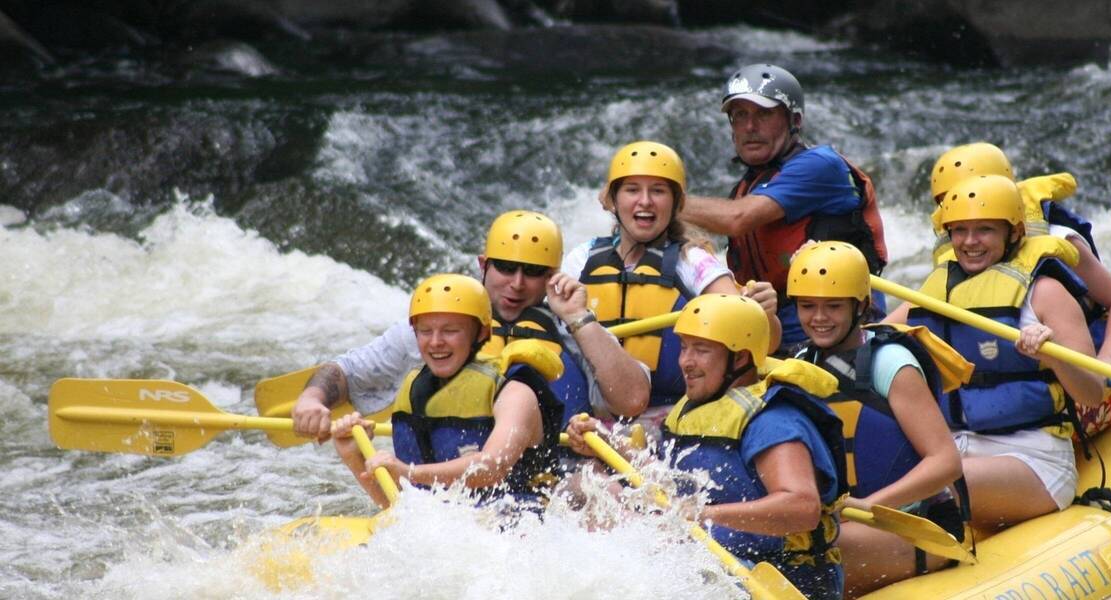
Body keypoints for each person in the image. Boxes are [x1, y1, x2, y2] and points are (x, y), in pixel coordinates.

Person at [566, 294, 848, 599]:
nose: (686, 361)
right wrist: (609, 444)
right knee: (590, 493)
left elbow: (802, 508)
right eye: (685, 347)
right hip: (715, 562)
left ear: (739, 359)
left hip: (781, 578)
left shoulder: (773, 421)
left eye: (701, 351)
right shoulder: (697, 407)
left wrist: (704, 514)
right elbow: (670, 482)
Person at [292, 210, 650, 440]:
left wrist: (579, 319)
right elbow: (345, 371)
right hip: (454, 485)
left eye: (534, 272)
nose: (517, 283)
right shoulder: (441, 326)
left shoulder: (570, 327)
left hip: (552, 483)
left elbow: (632, 400)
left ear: (552, 277)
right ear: (483, 265)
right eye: (506, 268)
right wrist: (312, 398)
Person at [886, 174, 1104, 531]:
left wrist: (1053, 356)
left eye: (985, 230)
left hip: (1033, 458)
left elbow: (1092, 393)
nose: (970, 242)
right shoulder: (935, 293)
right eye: (960, 231)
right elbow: (868, 340)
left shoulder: (1046, 294)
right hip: (951, 448)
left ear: (1013, 233)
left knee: (936, 484)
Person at [786, 241, 969, 596]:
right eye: (808, 306)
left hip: (917, 525)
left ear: (861, 306)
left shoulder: (891, 364)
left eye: (833, 306)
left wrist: (870, 507)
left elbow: (946, 462)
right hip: (842, 522)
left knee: (813, 562)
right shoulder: (800, 364)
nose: (819, 318)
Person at [929, 142, 1111, 436]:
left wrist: (1106, 363)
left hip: (1085, 376)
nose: (956, 208)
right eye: (945, 202)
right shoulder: (962, 248)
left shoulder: (1057, 240)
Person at [565, 140, 779, 426]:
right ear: (611, 200)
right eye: (632, 190)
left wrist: (764, 313)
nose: (645, 201)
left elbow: (762, 340)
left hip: (674, 421)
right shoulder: (581, 259)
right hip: (590, 425)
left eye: (658, 191)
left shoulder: (692, 261)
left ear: (677, 203)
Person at [679, 63, 889, 352]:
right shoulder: (745, 188)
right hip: (775, 332)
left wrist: (658, 198)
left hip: (839, 332)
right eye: (740, 115)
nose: (750, 127)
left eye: (764, 113)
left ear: (795, 120)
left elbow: (737, 219)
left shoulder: (820, 166)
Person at [331, 274, 564, 507]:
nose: (435, 342)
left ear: (481, 333)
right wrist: (354, 455)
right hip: (457, 530)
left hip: (524, 523)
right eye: (425, 331)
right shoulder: (415, 391)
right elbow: (400, 508)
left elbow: (493, 466)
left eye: (450, 331)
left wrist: (408, 472)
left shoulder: (515, 391)